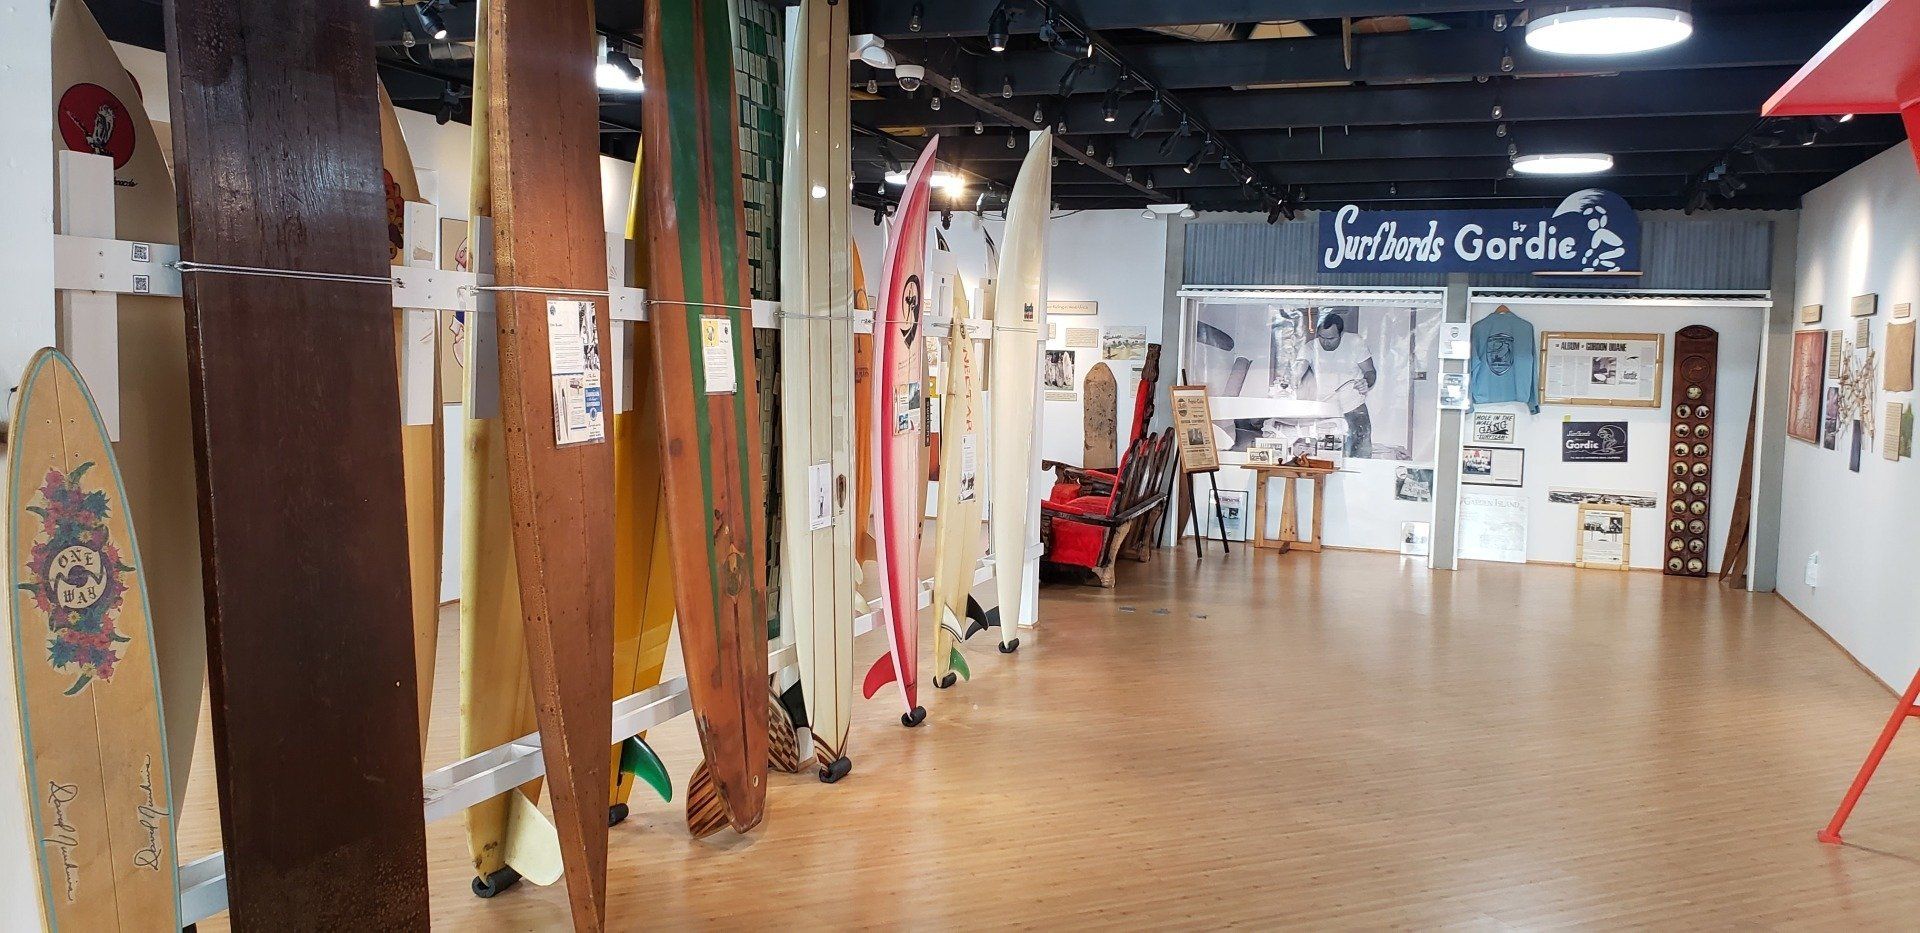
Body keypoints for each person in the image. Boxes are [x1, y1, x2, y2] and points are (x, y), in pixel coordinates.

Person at [1305, 313, 1376, 458]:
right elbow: (1299, 368)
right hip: (1325, 410)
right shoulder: (1310, 347)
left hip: (1354, 407)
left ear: (1341, 334)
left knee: (1360, 454)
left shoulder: (1355, 342)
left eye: (1331, 338)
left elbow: (1370, 371)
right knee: (1325, 456)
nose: (1326, 342)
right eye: (1322, 338)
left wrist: (1366, 382)